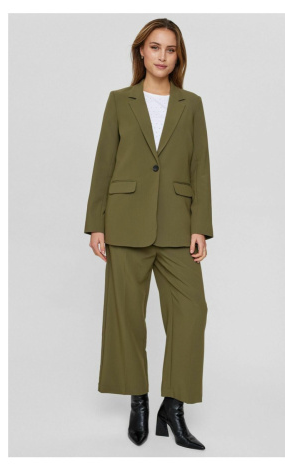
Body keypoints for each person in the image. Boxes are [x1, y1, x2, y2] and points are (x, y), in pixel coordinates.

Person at [84, 18, 214, 450]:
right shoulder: (119, 101)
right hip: (124, 222)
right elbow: (104, 161)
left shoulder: (191, 104)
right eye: (154, 47)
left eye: (170, 49)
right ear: (141, 51)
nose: (162, 56)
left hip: (177, 223)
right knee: (126, 316)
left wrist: (200, 226)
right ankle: (138, 401)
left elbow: (200, 167)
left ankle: (172, 407)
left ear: (178, 56)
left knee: (191, 312)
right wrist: (97, 222)